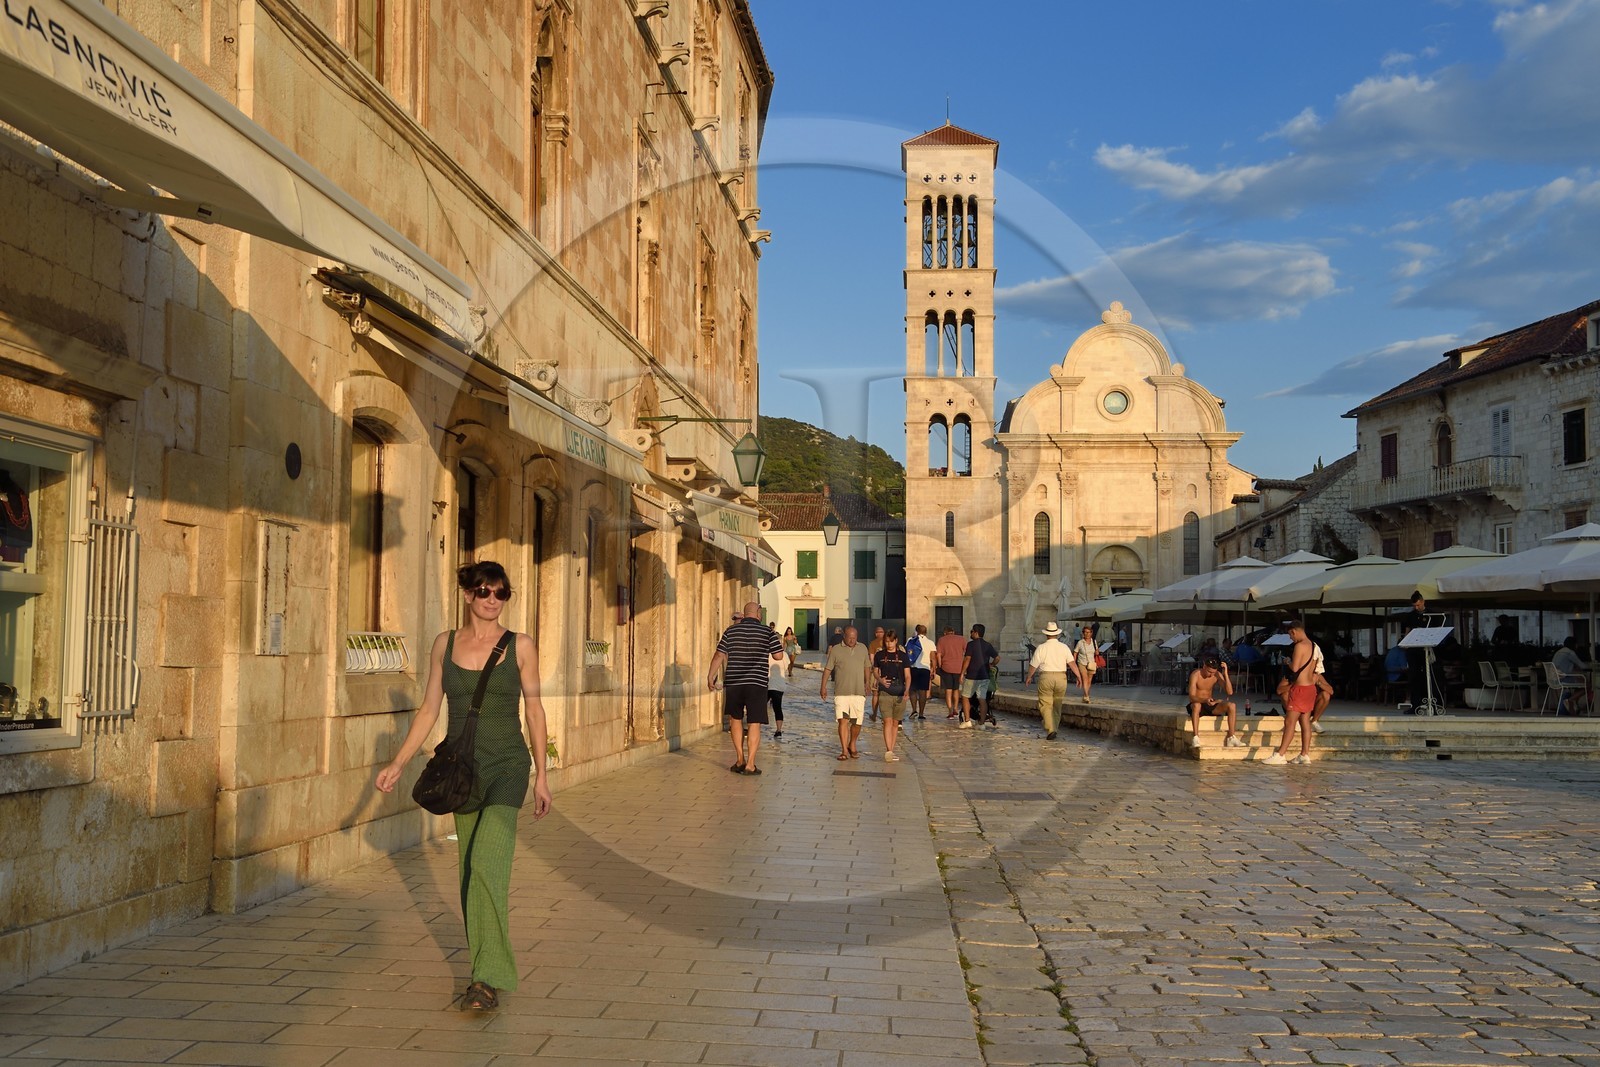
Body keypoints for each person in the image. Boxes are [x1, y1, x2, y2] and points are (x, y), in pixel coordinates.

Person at [374, 561, 551, 1012]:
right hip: (461, 770)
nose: (493, 600)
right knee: (469, 870)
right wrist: (398, 762)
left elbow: (534, 712)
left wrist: (543, 776)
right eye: (484, 591)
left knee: (490, 865)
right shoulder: (444, 644)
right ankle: (483, 967)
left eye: (501, 593)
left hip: (508, 767)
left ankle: (487, 979)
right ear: (468, 595)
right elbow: (430, 709)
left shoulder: (521, 646)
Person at [707, 601, 784, 775]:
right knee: (754, 722)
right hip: (756, 683)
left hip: (734, 681)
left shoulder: (731, 631)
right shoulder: (767, 632)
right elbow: (778, 656)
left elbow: (719, 654)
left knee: (735, 719)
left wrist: (710, 676)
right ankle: (750, 764)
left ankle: (740, 759)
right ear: (758, 613)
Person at [1262, 619, 1315, 765]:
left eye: (1291, 636)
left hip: (1300, 689)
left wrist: (1287, 662)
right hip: (1310, 688)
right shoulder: (1313, 645)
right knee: (1305, 722)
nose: (1291, 639)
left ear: (1294, 631)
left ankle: (1280, 754)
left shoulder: (1299, 646)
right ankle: (1304, 754)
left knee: (1290, 721)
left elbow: (1295, 668)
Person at [822, 625, 872, 759]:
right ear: (844, 636)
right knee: (843, 721)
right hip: (841, 692)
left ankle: (852, 743)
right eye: (849, 638)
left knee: (857, 722)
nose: (852, 640)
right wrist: (823, 686)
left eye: (854, 638)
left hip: (858, 691)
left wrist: (867, 683)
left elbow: (867, 666)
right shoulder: (836, 650)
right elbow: (828, 669)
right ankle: (844, 750)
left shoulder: (862, 648)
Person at [1025, 621, 1072, 740]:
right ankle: (1054, 728)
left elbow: (1033, 665)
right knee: (1057, 704)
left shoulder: (1041, 648)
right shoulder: (1064, 647)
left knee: (1045, 704)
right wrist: (1079, 676)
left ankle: (1050, 728)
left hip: (1046, 677)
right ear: (1057, 634)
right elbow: (1071, 663)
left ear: (1046, 634)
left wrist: (1029, 677)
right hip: (1061, 677)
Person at [1186, 656, 1242, 748]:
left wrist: (1225, 674)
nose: (1211, 675)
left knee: (1232, 705)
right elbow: (1191, 697)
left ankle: (1231, 737)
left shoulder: (1216, 675)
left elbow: (1230, 692)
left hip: (1209, 704)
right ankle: (1195, 737)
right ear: (1204, 666)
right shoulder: (1195, 674)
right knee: (1197, 706)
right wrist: (1204, 700)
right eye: (1209, 671)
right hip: (1197, 703)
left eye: (1213, 672)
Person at [873, 630, 912, 761]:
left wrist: (907, 690)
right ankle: (888, 750)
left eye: (891, 641)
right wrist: (880, 680)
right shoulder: (879, 655)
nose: (889, 644)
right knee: (887, 721)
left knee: (896, 722)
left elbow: (907, 675)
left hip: (900, 692)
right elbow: (875, 671)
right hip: (885, 692)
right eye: (887, 641)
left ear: (896, 641)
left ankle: (892, 749)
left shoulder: (903, 656)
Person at [959, 624, 999, 729]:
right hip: (985, 675)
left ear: (976, 632)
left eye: (972, 631)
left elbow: (967, 659)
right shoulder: (988, 645)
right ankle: (981, 723)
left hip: (972, 675)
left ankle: (967, 720)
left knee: (965, 696)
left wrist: (962, 673)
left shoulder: (971, 645)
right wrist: (991, 665)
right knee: (982, 699)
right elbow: (998, 657)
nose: (970, 633)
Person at [1401, 591, 1430, 709]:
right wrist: (1406, 642)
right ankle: (1415, 705)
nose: (1416, 607)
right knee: (1414, 677)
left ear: (1423, 602)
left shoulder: (1431, 615)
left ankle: (1429, 702)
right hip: (1413, 650)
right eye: (1414, 606)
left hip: (1426, 649)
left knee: (1427, 677)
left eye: (1418, 605)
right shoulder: (1410, 616)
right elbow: (1407, 631)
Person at [1552, 636, 1591, 715]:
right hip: (1564, 679)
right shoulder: (1570, 653)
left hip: (1554, 679)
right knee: (1588, 685)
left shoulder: (1558, 652)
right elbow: (1583, 666)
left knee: (1580, 681)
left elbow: (1566, 667)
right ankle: (1570, 700)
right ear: (1574, 644)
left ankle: (1572, 705)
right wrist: (1591, 666)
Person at [936, 625, 968, 720]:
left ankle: (950, 711)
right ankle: (955, 708)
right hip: (958, 667)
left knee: (948, 690)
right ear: (953, 632)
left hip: (946, 667)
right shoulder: (961, 639)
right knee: (956, 689)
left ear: (945, 633)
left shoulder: (941, 640)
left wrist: (940, 665)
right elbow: (966, 652)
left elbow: (938, 655)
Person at [905, 623, 934, 720]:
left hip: (913, 667)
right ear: (926, 632)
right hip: (925, 668)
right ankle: (921, 713)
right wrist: (933, 670)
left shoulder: (911, 640)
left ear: (916, 631)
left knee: (912, 690)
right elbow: (933, 658)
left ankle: (914, 710)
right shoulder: (930, 642)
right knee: (923, 692)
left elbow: (907, 652)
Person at [767, 628, 790, 740]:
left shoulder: (767, 654)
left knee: (760, 706)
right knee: (778, 708)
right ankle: (778, 730)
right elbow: (786, 667)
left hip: (767, 683)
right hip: (779, 684)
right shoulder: (784, 655)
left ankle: (754, 727)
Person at [1072, 624, 1100, 704]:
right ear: (1083, 633)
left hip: (1091, 663)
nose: (1087, 634)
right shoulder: (1080, 643)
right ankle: (1087, 696)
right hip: (1082, 662)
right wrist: (1073, 662)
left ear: (1091, 633)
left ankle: (1085, 695)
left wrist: (1097, 652)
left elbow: (1096, 651)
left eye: (1089, 632)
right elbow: (1075, 652)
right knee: (1085, 679)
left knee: (1089, 681)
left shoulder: (1094, 642)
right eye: (1085, 632)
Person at [866, 625, 887, 721]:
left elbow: (872, 659)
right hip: (887, 670)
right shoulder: (889, 642)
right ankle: (885, 716)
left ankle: (874, 714)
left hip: (876, 671)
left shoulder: (873, 644)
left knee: (875, 694)